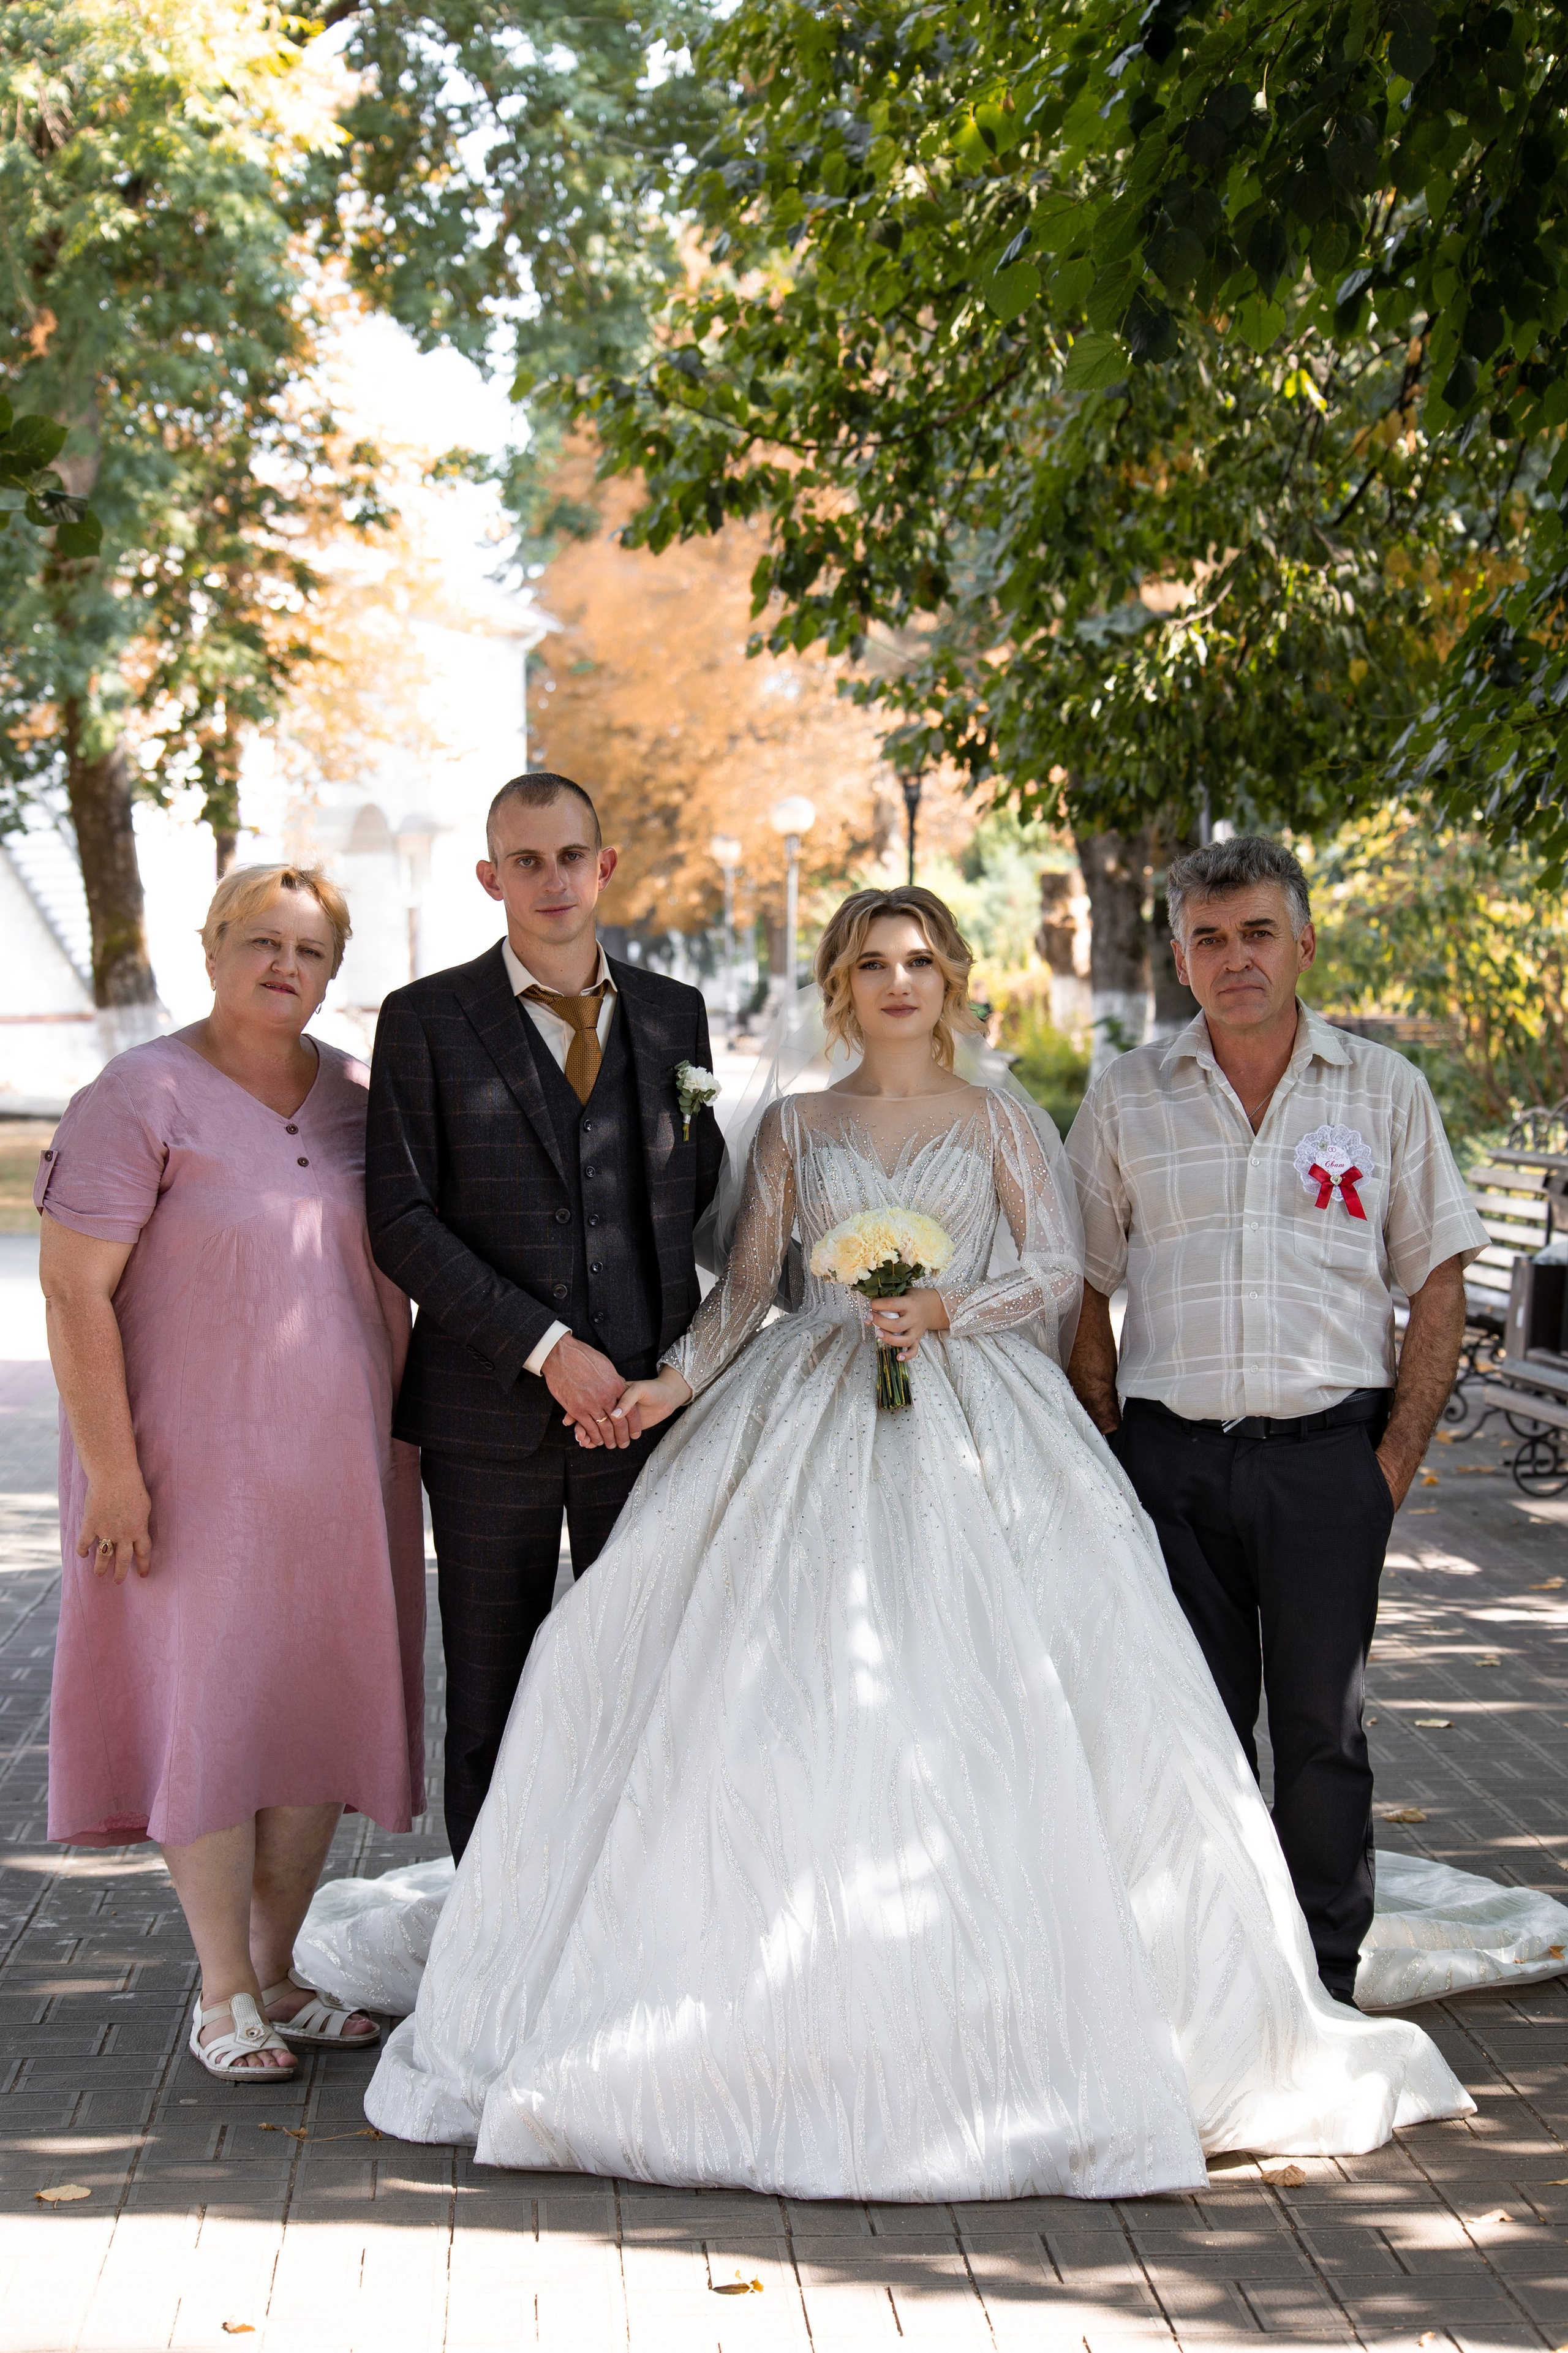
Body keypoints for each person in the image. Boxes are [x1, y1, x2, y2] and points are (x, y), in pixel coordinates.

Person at [333, 883, 1469, 2201]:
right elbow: (749, 1293)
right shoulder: (793, 1131)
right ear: (839, 983)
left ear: (951, 979)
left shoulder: (998, 1117)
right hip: (808, 1409)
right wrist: (663, 1389)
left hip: (983, 1412)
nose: (897, 983)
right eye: (872, 962)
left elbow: (1056, 1271)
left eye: (919, 960)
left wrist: (947, 1303)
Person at [1065, 834, 1488, 2009]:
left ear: (1304, 944)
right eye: (1210, 938)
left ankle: (1324, 1978)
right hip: (1171, 1466)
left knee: (1321, 1731)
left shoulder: (1384, 1090)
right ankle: (1202, 1973)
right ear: (1182, 959)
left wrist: (1390, 1465)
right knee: (1189, 1728)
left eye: (1258, 932)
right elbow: (1080, 1285)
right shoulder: (1125, 1096)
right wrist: (1111, 1447)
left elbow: (1437, 1280)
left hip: (1327, 1463)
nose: (1235, 957)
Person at [37, 864, 425, 2081]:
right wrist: (114, 1472)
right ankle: (219, 1991)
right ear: (209, 947)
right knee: (209, 1710)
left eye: (311, 951)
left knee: (313, 1708)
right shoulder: (137, 1094)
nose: (284, 967)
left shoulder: (365, 1099)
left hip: (347, 1467)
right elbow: (70, 1289)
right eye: (260, 941)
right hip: (186, 1472)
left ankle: (279, 1967)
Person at [364, 771, 725, 1863]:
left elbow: (694, 1185)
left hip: (645, 1415)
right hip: (487, 1422)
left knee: (642, 1683)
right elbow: (401, 1218)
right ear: (491, 878)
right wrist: (547, 1347)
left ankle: (617, 1936)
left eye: (571, 855)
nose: (553, 879)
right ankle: (488, 1946)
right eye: (526, 861)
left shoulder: (674, 1014)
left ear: (604, 864)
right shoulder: (425, 1019)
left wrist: (651, 1368)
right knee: (491, 1695)